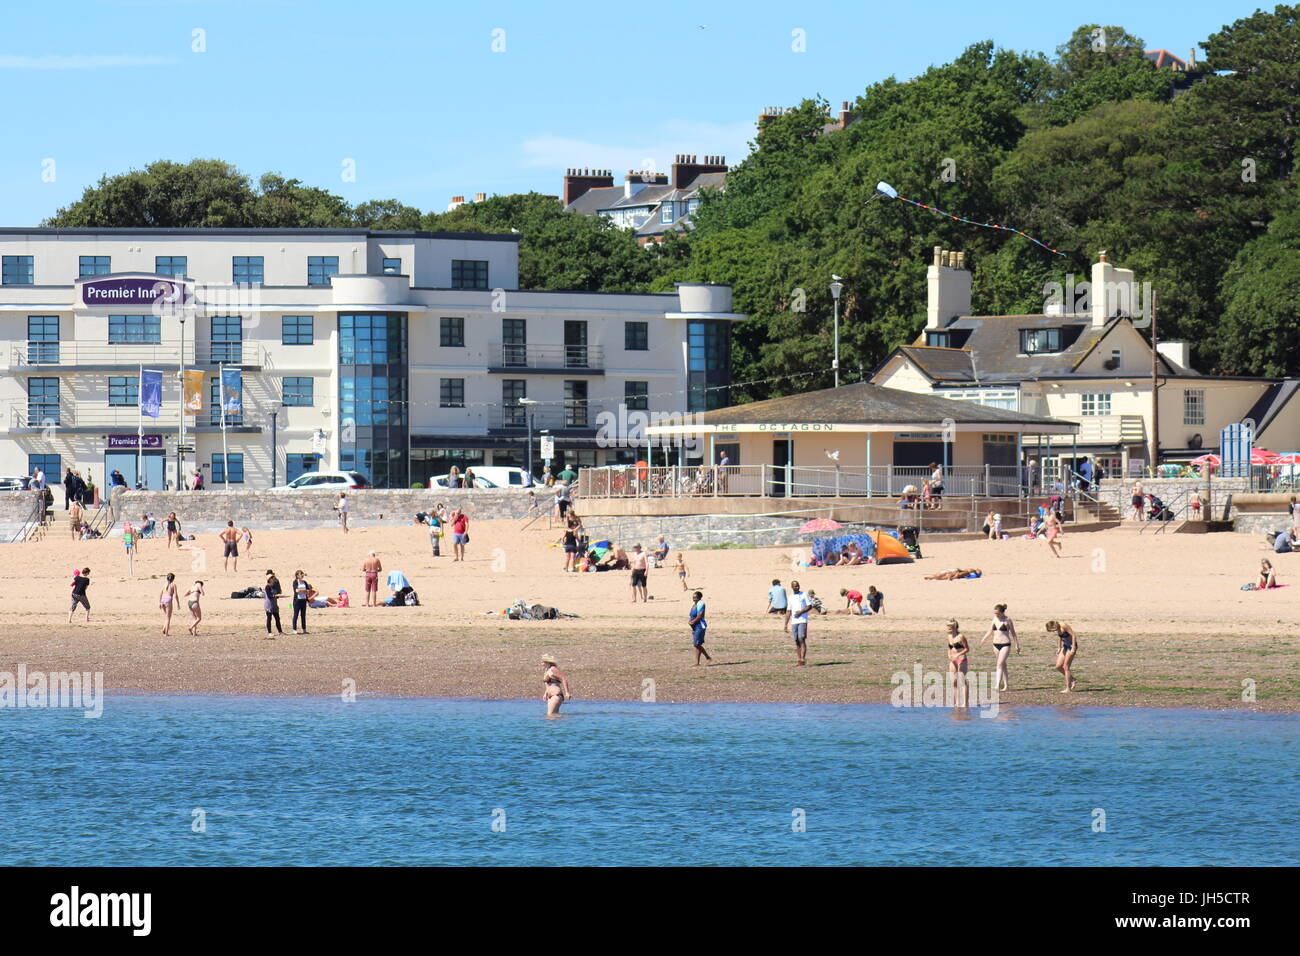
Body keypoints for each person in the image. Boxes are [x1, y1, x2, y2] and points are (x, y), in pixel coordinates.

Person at [980, 603, 1020, 692]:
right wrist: (984, 638)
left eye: (997, 613)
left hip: (1005, 644)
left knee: (999, 664)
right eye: (995, 613)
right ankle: (1006, 686)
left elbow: (1013, 634)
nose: (996, 615)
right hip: (995, 644)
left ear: (1002, 612)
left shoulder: (1008, 620)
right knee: (1003, 665)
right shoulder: (994, 619)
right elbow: (990, 630)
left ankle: (997, 685)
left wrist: (1017, 645)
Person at [1047, 621, 1079, 692]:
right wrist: (1059, 647)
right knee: (1058, 666)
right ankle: (1072, 679)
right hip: (1065, 646)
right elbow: (1060, 637)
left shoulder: (1064, 625)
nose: (1054, 631)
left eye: (1053, 630)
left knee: (1066, 667)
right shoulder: (1058, 629)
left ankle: (1068, 688)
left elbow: (1073, 635)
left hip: (1071, 646)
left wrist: (1073, 647)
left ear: (1054, 626)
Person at [946, 619, 970, 707]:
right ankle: (956, 702)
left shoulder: (961, 637)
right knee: (954, 682)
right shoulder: (949, 637)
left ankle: (965, 703)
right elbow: (949, 648)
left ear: (955, 627)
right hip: (952, 660)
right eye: (947, 627)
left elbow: (967, 649)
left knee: (962, 680)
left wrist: (958, 654)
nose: (948, 629)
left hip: (961, 660)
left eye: (950, 627)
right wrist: (949, 655)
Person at [789, 580, 812, 666]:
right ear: (792, 587)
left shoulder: (804, 594)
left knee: (801, 638)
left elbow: (809, 606)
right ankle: (799, 659)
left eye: (798, 586)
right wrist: (785, 624)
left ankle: (803, 658)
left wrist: (801, 612)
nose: (797, 587)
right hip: (794, 621)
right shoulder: (791, 597)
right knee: (796, 640)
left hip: (802, 620)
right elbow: (788, 610)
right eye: (795, 586)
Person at [688, 590, 713, 665]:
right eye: (693, 597)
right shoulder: (694, 605)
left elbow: (700, 615)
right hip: (694, 626)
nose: (694, 598)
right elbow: (692, 615)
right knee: (696, 644)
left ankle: (708, 657)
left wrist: (693, 621)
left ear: (699, 597)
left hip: (700, 626)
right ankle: (697, 662)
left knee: (697, 644)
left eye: (695, 597)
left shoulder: (701, 604)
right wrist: (690, 621)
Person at [264, 570, 284, 635]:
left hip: (274, 604)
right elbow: (269, 595)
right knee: (269, 619)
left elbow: (277, 593)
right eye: (272, 578)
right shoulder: (267, 587)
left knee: (277, 618)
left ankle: (280, 631)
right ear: (269, 579)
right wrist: (276, 595)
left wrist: (279, 596)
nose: (273, 579)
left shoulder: (275, 586)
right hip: (269, 605)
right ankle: (269, 632)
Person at [291, 570, 311, 634]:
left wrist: (302, 591)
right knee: (296, 615)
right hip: (297, 600)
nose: (302, 575)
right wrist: (303, 591)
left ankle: (304, 629)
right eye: (301, 574)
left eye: (302, 573)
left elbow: (308, 591)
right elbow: (296, 590)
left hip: (304, 600)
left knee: (303, 615)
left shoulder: (304, 582)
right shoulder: (295, 582)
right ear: (297, 575)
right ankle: (294, 629)